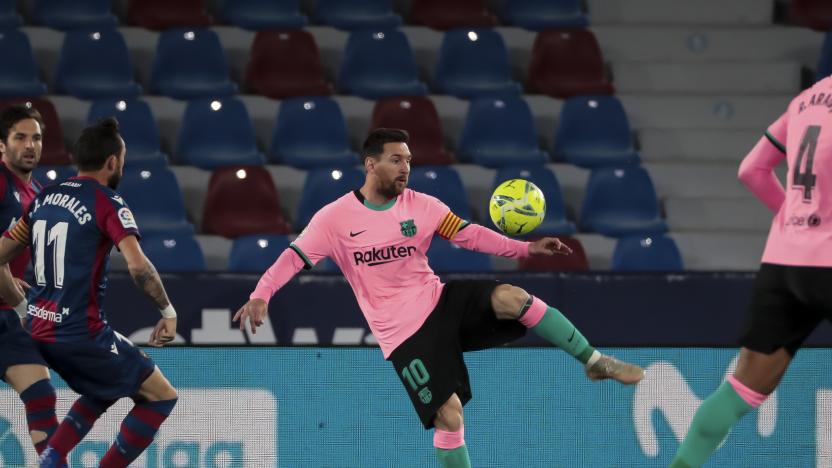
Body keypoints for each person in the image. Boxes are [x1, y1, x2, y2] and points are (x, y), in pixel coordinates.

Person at [235, 128, 645, 467]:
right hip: (403, 335)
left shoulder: (422, 205)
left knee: (512, 297)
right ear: (371, 164)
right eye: (396, 159)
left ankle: (594, 362)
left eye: (409, 160)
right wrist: (261, 295)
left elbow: (468, 234)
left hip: (440, 301)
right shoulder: (335, 218)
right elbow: (293, 257)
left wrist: (525, 249)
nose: (406, 168)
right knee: (449, 416)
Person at [670, 77, 832, 467]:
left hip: (783, 263)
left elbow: (752, 169)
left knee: (740, 391)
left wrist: (797, 224)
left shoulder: (807, 98)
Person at [0, 118, 179, 468]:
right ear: (113, 162)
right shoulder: (108, 202)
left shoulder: (44, 197)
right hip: (81, 332)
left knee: (107, 383)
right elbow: (139, 267)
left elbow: (1, 254)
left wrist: (20, 300)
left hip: (37, 328)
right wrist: (167, 311)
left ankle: (52, 456)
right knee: (161, 397)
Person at [0, 104, 62, 462]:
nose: (30, 145)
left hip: (8, 319)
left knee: (41, 395)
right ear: (2, 145)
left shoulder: (36, 192)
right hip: (14, 312)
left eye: (36, 138)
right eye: (20, 137)